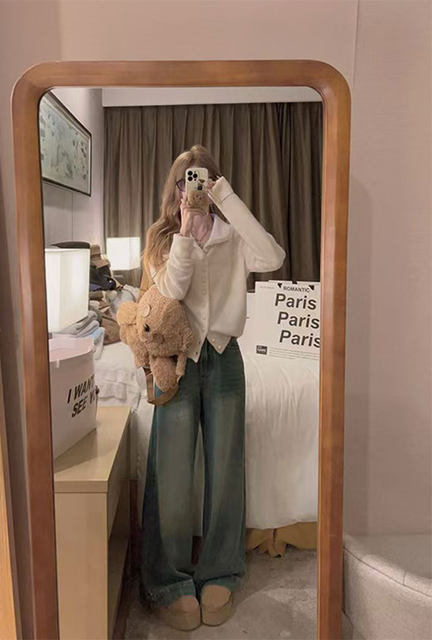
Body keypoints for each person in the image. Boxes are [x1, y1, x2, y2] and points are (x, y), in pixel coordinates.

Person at [140, 144, 286, 630]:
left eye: (202, 180)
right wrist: (185, 231)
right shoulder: (162, 239)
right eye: (187, 181)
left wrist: (225, 199)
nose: (194, 189)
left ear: (215, 184)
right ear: (175, 189)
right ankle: (167, 580)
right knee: (171, 472)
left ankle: (221, 570)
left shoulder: (234, 235)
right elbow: (172, 291)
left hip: (225, 357)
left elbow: (272, 256)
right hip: (178, 361)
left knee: (226, 469)